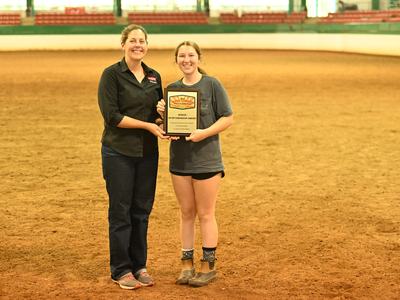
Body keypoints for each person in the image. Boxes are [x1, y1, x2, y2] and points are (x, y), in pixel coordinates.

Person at [157, 41, 233, 287]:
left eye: (191, 55)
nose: (186, 60)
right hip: (180, 160)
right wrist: (162, 118)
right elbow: (167, 127)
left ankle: (208, 265)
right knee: (186, 213)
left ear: (199, 58)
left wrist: (204, 133)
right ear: (176, 59)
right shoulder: (172, 89)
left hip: (207, 159)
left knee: (206, 213)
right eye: (181, 56)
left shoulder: (212, 85)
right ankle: (186, 264)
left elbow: (227, 118)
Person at [98, 24, 166, 290]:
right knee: (121, 211)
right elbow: (112, 117)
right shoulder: (111, 75)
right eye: (133, 40)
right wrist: (149, 126)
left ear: (147, 45)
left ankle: (139, 265)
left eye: (142, 41)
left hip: (148, 153)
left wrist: (162, 115)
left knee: (141, 211)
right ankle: (121, 270)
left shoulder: (153, 76)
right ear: (123, 44)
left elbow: (157, 117)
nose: (138, 44)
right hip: (118, 152)